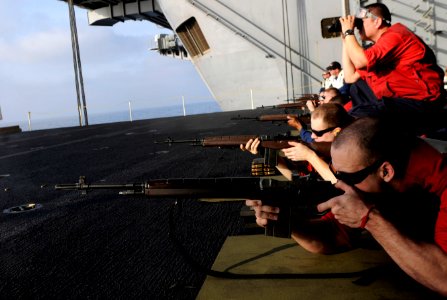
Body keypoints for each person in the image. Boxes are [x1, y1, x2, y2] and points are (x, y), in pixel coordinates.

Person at [247, 117, 447, 295]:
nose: (341, 183)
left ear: (386, 171)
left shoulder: (440, 180)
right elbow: (333, 236)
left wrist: (370, 219)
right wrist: (288, 222)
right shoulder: (373, 180)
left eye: (348, 177)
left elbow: (443, 279)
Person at [340, 3, 446, 133]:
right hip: (404, 103)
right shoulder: (379, 50)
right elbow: (350, 77)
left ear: (377, 22)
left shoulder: (396, 35)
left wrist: (349, 32)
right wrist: (346, 39)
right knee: (356, 89)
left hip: (424, 104)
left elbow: (360, 61)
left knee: (359, 115)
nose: (358, 27)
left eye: (361, 22)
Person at [242, 104, 353, 181]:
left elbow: (340, 184)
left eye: (317, 133)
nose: (313, 136)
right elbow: (293, 177)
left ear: (337, 132)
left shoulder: (354, 149)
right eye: (312, 131)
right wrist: (266, 150)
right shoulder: (323, 150)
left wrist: (309, 156)